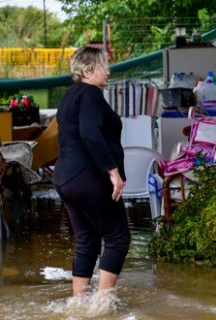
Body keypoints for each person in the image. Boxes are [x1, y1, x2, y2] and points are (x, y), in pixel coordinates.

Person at [53, 46, 130, 296]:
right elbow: (90, 133)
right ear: (87, 70)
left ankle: (78, 304)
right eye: (102, 66)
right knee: (118, 238)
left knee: (87, 240)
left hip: (65, 179)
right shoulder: (91, 94)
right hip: (89, 178)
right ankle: (101, 304)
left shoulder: (69, 96)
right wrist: (113, 172)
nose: (108, 72)